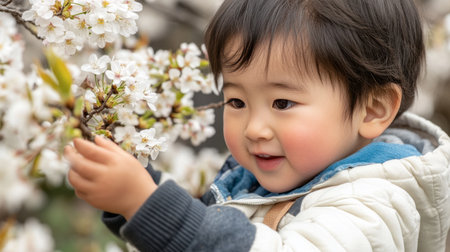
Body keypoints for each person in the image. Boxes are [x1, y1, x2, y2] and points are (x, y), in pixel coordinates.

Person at [64, 0, 450, 251]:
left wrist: (143, 201)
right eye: (237, 101)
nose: (254, 128)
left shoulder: (371, 204)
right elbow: (211, 229)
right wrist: (139, 194)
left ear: (372, 109)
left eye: (282, 102)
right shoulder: (272, 178)